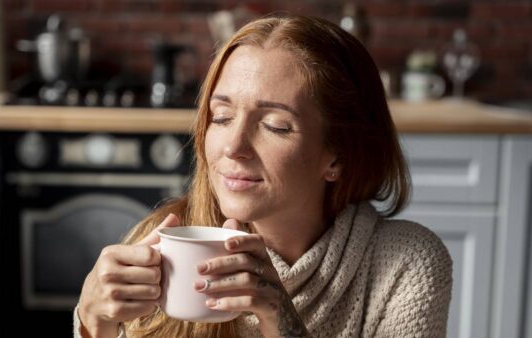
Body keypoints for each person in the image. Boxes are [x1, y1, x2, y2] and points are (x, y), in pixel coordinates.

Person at [75, 15, 452, 338]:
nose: (233, 146)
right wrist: (93, 324)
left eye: (275, 126)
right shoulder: (160, 243)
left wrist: (282, 323)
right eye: (221, 118)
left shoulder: (406, 263)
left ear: (338, 155)